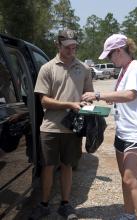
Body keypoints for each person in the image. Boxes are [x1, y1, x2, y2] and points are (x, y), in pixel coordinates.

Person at [82, 34, 137, 220]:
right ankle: (129, 214)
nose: (109, 59)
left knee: (131, 180)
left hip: (136, 133)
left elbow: (130, 95)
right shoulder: (124, 70)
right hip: (123, 132)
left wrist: (98, 95)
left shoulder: (136, 68)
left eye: (109, 56)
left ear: (119, 51)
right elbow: (120, 98)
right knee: (125, 179)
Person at [29, 29, 93, 220]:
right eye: (67, 47)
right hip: (50, 127)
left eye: (74, 46)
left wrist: (87, 103)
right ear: (58, 45)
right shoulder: (47, 68)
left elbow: (88, 95)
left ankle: (65, 205)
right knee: (48, 166)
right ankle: (44, 204)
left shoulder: (84, 69)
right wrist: (69, 104)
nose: (72, 50)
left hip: (73, 128)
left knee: (67, 166)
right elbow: (44, 101)